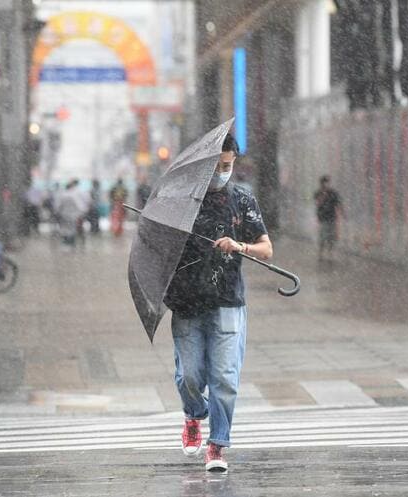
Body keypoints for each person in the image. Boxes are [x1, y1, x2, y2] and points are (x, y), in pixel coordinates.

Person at [163, 133, 272, 472]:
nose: (222, 171)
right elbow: (161, 249)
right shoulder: (181, 201)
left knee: (225, 377)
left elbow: (266, 250)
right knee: (191, 377)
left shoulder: (242, 199)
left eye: (228, 165)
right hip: (187, 301)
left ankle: (218, 445)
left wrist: (239, 246)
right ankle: (193, 415)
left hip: (228, 301)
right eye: (216, 166)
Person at [313, 175, 343, 261]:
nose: (325, 185)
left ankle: (330, 253)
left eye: (327, 183)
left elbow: (338, 203)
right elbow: (317, 203)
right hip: (323, 219)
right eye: (324, 183)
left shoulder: (333, 193)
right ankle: (321, 254)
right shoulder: (318, 193)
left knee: (331, 237)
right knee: (322, 237)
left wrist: (341, 213)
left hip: (331, 218)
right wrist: (323, 195)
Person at [55, 179, 88, 248]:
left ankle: (66, 242)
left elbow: (58, 206)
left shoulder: (62, 195)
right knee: (72, 229)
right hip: (73, 215)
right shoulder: (74, 195)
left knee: (64, 229)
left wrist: (57, 213)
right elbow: (80, 206)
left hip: (64, 215)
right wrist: (82, 213)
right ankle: (71, 243)